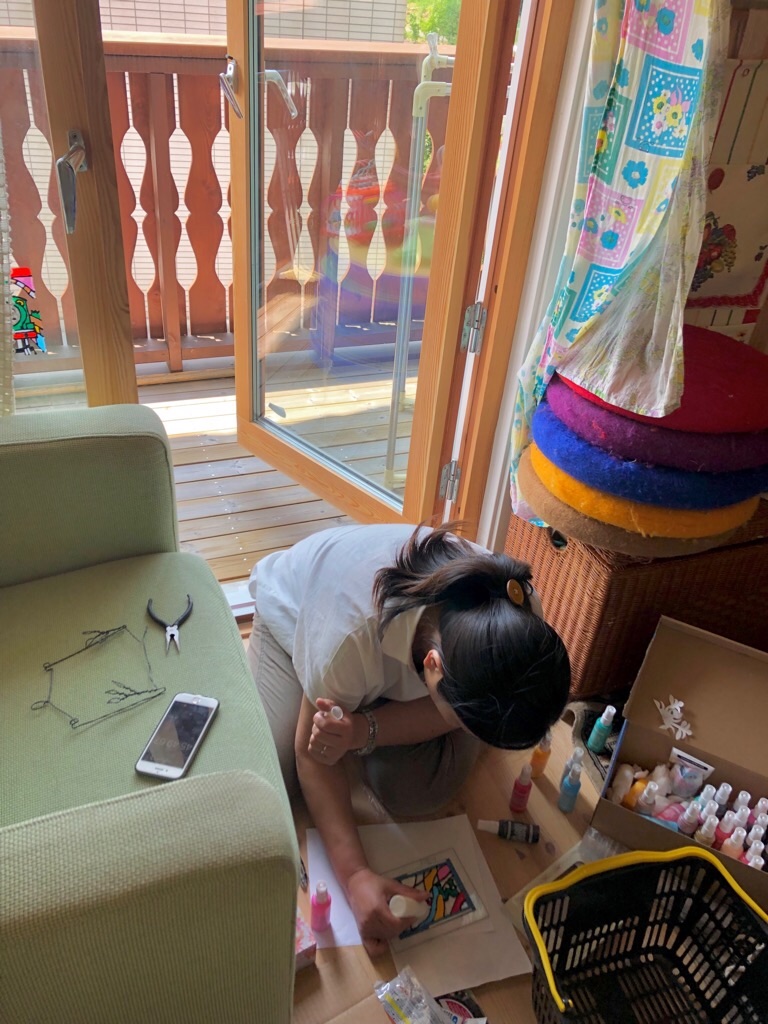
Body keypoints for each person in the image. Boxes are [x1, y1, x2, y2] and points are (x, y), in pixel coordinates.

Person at [247, 522, 570, 955]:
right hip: (297, 614)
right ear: (433, 667)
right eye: (466, 723)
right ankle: (363, 706)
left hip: (392, 664)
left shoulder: (520, 612)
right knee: (270, 781)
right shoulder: (346, 637)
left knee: (417, 791)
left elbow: (450, 717)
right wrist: (355, 876)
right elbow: (312, 757)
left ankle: (372, 712)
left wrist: (361, 731)